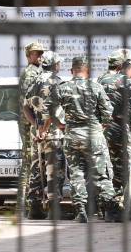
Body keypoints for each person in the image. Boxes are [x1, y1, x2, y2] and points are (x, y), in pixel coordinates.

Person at [49, 56, 119, 223]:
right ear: (87, 70)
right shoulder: (96, 87)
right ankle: (110, 210)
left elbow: (48, 109)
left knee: (76, 173)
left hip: (71, 135)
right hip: (93, 135)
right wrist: (102, 126)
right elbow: (109, 114)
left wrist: (60, 125)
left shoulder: (62, 88)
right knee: (102, 173)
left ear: (72, 70)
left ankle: (80, 210)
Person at [24, 51, 66, 220]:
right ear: (55, 65)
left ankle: (34, 208)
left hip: (36, 134)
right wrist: (50, 127)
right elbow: (53, 111)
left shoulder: (34, 81)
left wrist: (36, 126)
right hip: (53, 133)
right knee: (55, 169)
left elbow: (25, 107)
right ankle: (54, 209)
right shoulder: (58, 82)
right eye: (58, 63)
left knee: (36, 168)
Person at [98, 50, 131, 221]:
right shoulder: (126, 82)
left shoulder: (100, 80)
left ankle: (104, 206)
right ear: (121, 65)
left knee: (106, 168)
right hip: (122, 130)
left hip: (103, 130)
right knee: (122, 168)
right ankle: (119, 206)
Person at [17, 42, 44, 211]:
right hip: (29, 123)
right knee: (29, 162)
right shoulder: (29, 73)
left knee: (34, 162)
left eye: (41, 53)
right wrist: (35, 124)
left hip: (34, 122)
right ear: (28, 56)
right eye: (36, 53)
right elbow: (27, 102)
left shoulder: (38, 71)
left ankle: (31, 201)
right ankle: (24, 202)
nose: (39, 56)